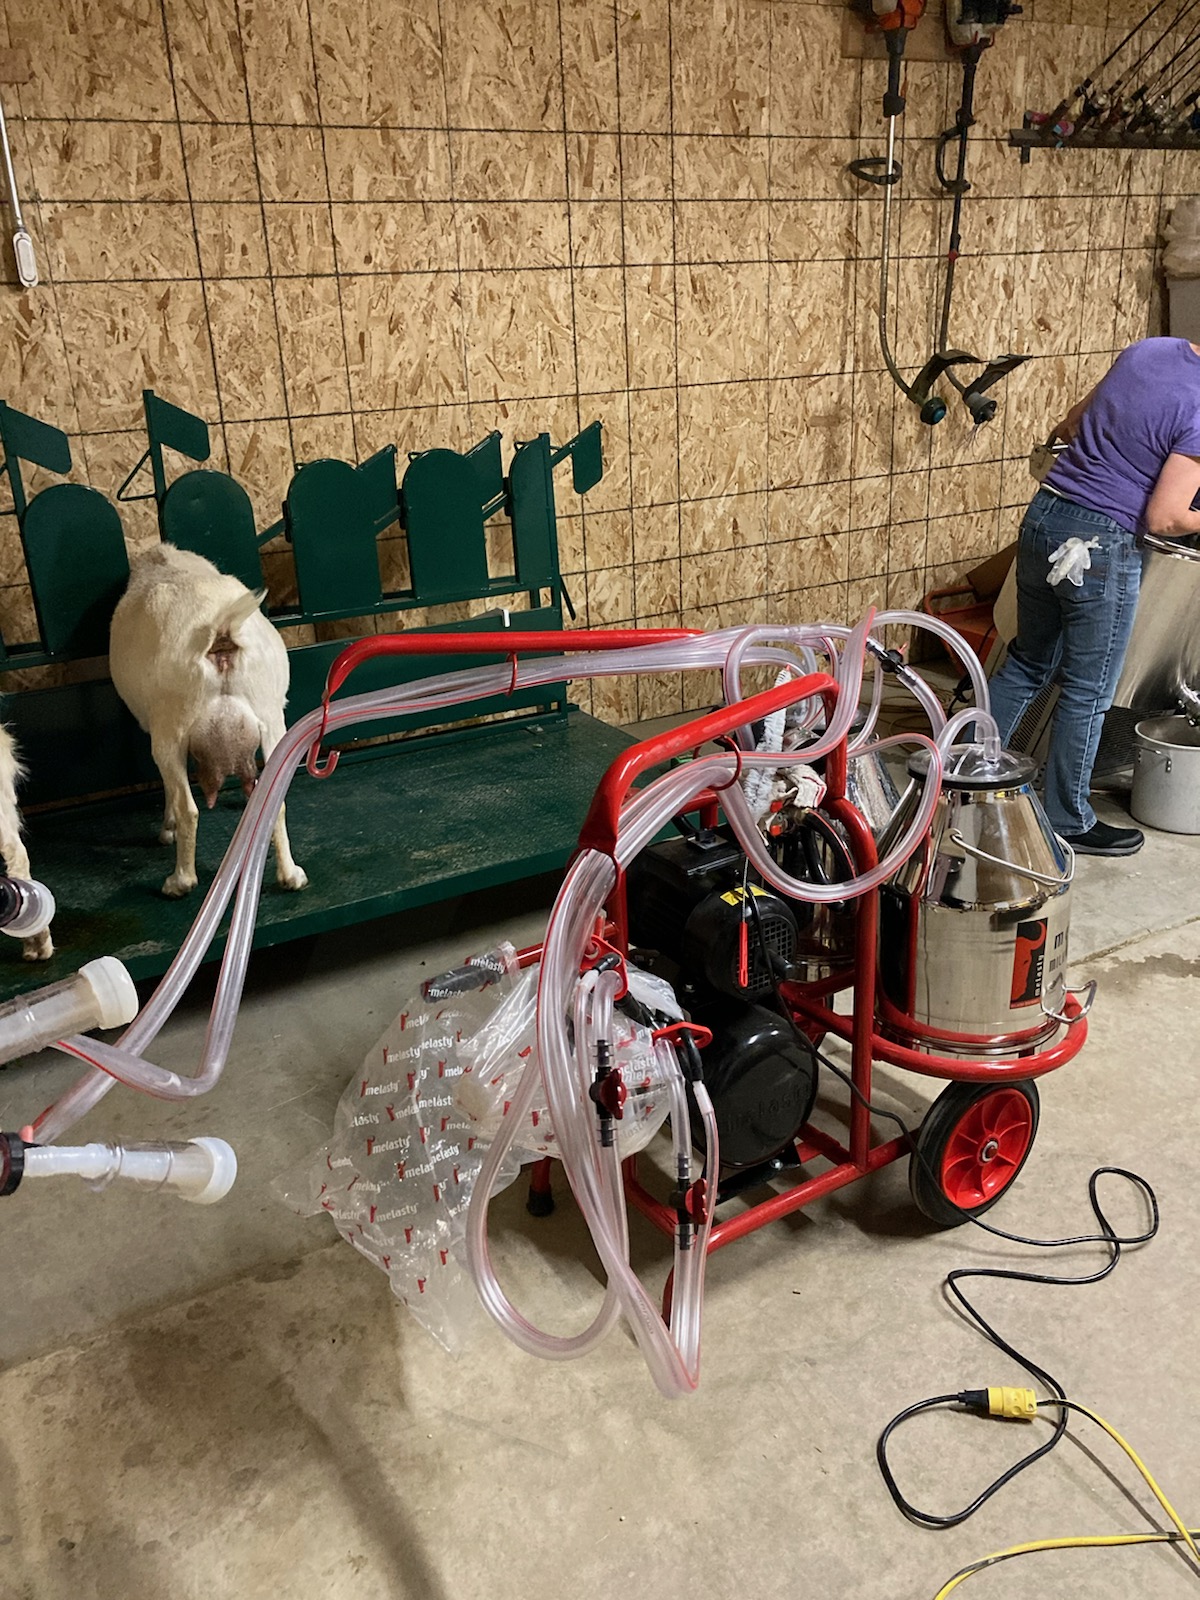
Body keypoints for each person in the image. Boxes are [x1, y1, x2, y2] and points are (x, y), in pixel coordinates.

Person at [987, 336, 1200, 857]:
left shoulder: (1150, 350)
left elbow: (1071, 423)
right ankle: (1069, 818)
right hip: (1099, 546)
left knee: (1027, 661)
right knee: (1089, 688)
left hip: (1046, 516)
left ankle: (959, 777)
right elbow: (1165, 516)